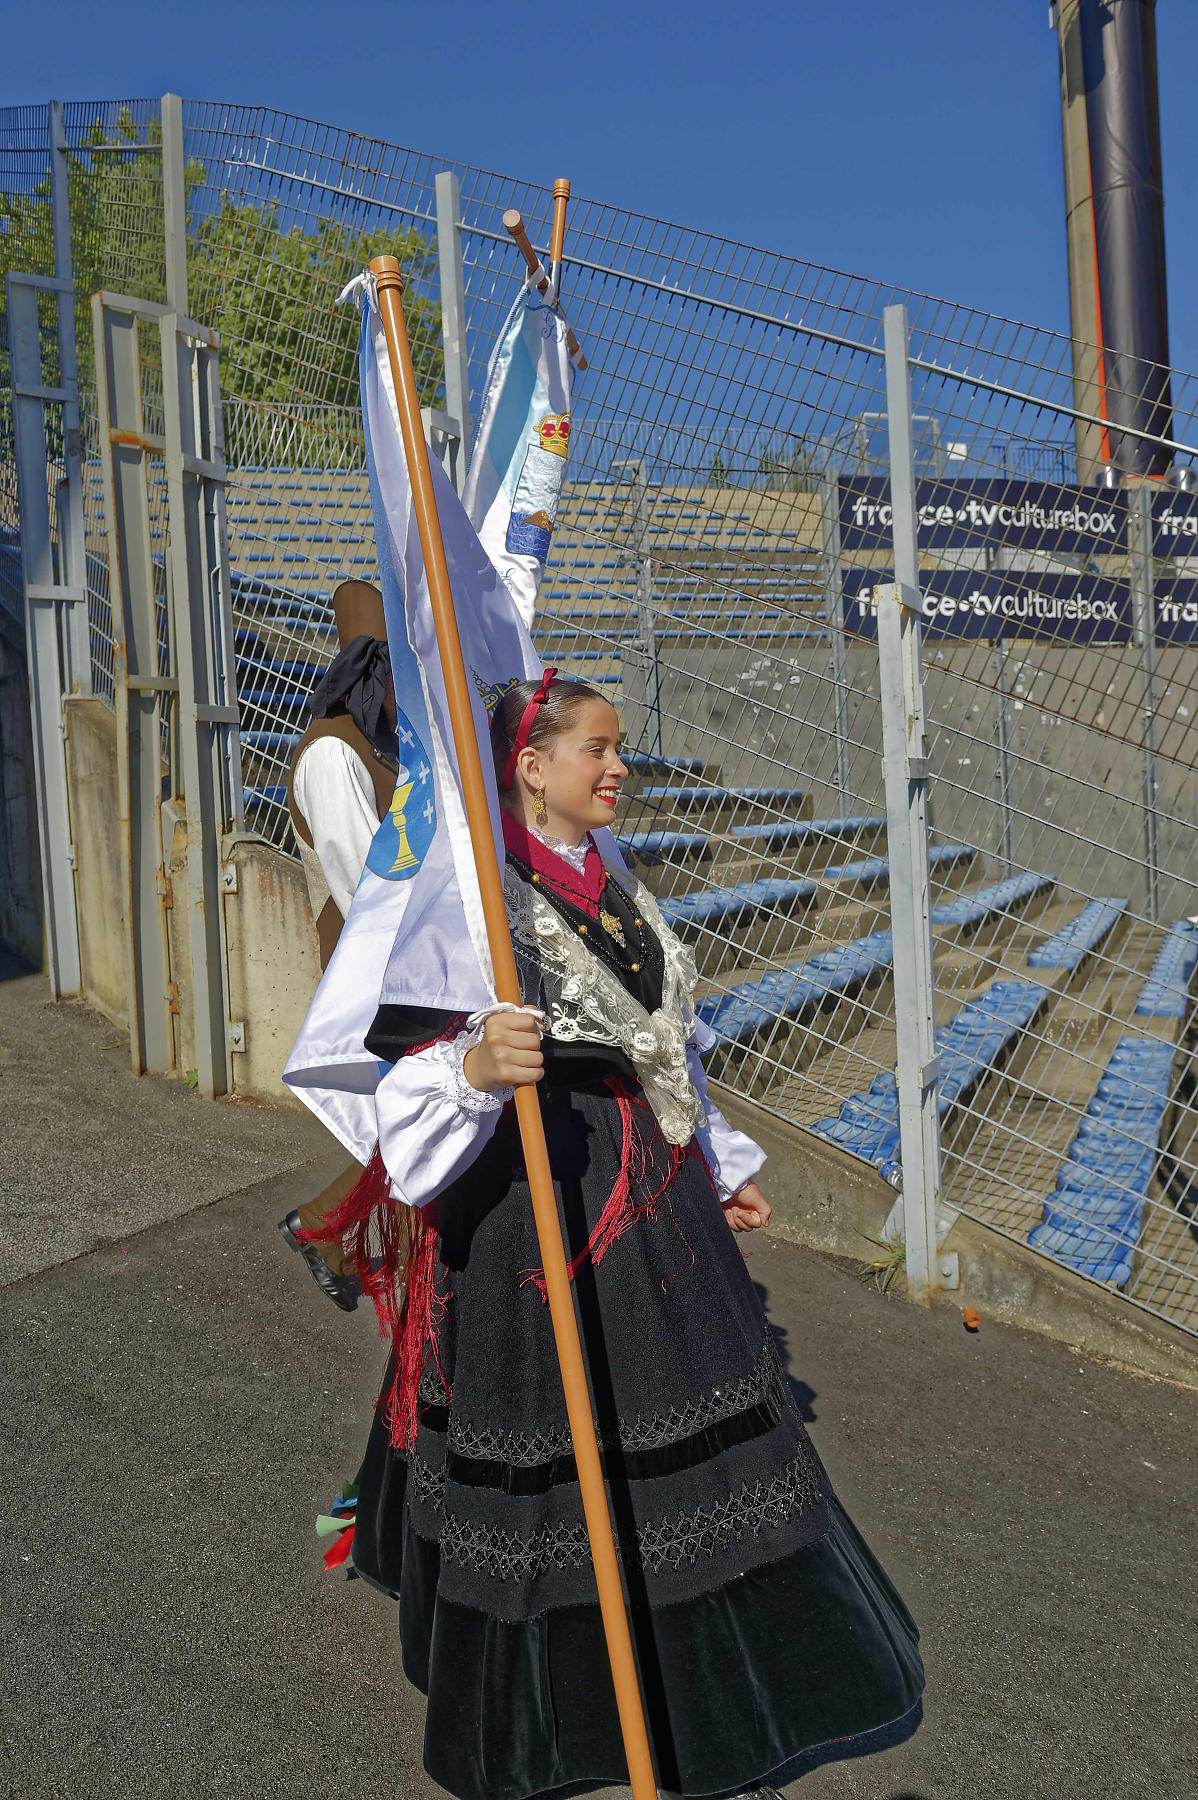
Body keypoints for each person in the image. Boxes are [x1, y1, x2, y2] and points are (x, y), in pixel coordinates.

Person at [312, 674, 924, 1799]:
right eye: (596, 748)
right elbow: (404, 1078)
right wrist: (475, 1066)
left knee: (677, 1434)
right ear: (530, 767)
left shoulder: (609, 872)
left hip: (650, 1192)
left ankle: (708, 1705)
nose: (617, 767)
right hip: (535, 1200)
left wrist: (714, 1161)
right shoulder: (471, 898)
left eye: (619, 747)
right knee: (553, 1446)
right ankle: (563, 1722)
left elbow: (663, 1041)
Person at [277, 579, 399, 1310]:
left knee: (425, 1123)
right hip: (374, 967)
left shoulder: (385, 748)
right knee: (430, 1122)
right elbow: (364, 889)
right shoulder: (331, 753)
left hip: (408, 961)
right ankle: (323, 1227)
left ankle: (325, 1228)